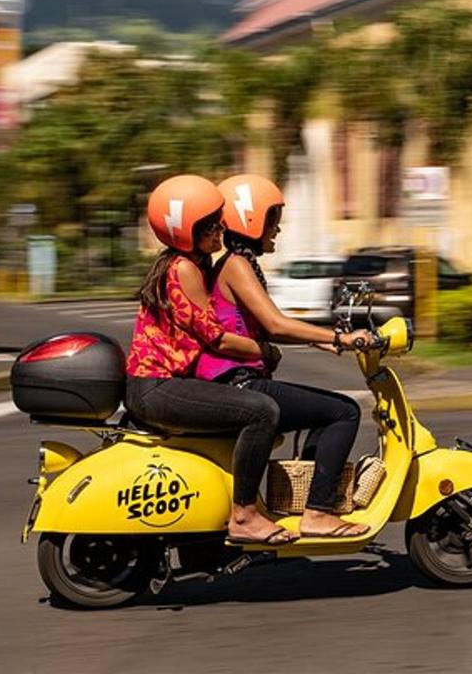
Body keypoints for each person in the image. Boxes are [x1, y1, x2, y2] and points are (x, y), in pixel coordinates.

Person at [195, 174, 372, 539]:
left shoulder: (239, 262)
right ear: (251, 219)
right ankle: (318, 513)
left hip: (237, 381)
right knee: (343, 411)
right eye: (273, 218)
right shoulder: (236, 265)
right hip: (241, 383)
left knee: (323, 412)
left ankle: (308, 502)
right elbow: (276, 325)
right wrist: (340, 337)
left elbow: (269, 323)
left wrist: (330, 342)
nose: (278, 227)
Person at [124, 174, 294, 546]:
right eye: (211, 224)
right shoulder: (184, 269)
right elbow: (216, 337)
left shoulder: (185, 264)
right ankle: (245, 515)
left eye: (219, 220)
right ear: (187, 230)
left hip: (159, 385)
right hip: (159, 388)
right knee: (261, 411)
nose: (221, 229)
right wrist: (266, 350)